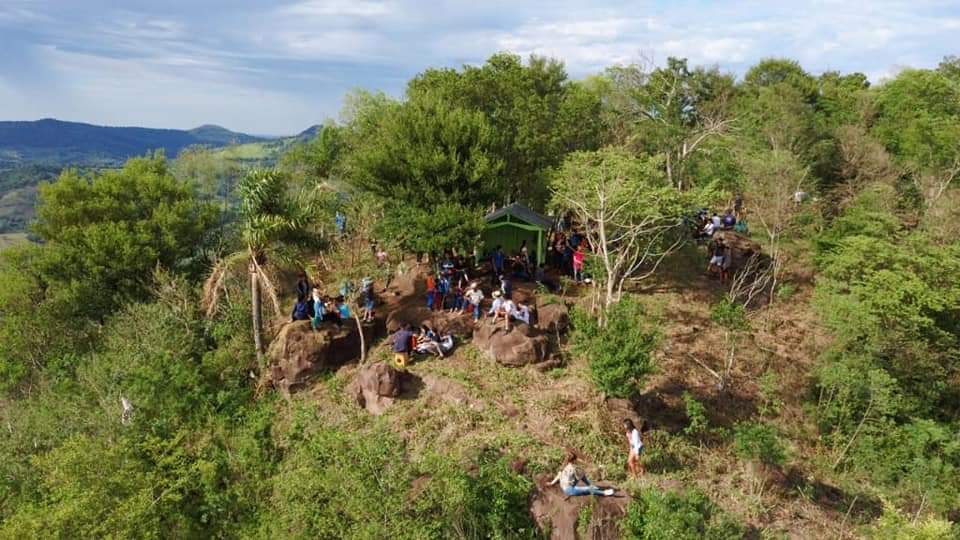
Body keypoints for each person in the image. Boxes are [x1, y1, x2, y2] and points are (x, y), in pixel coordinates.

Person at [547, 452, 615, 497]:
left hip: (563, 487)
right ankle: (603, 493)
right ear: (574, 460)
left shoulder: (564, 466)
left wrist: (552, 483)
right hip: (569, 490)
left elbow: (559, 475)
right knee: (587, 488)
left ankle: (591, 486)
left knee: (582, 476)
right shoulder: (574, 468)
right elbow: (581, 476)